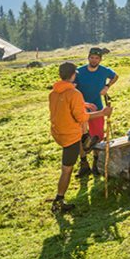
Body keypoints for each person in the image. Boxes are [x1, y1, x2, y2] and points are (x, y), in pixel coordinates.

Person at [49, 61, 112, 214]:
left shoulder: (54, 92)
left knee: (81, 138)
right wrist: (102, 113)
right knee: (67, 169)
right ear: (73, 75)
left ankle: (85, 143)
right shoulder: (74, 94)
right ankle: (59, 200)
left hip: (58, 131)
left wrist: (83, 103)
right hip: (69, 134)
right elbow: (81, 118)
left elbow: (66, 105)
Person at [73, 47, 119, 177]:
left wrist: (107, 86)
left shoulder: (104, 71)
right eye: (91, 57)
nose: (94, 60)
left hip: (98, 107)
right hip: (81, 108)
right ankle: (83, 164)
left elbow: (115, 76)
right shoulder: (79, 72)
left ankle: (96, 162)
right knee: (80, 137)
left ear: (100, 59)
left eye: (96, 58)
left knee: (97, 135)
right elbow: (73, 88)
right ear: (88, 58)